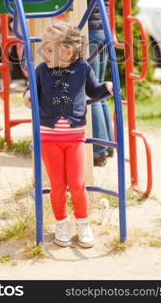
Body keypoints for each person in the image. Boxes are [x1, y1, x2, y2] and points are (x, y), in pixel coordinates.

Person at [23, 22, 113, 248]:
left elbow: (94, 90)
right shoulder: (42, 70)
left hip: (74, 138)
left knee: (77, 183)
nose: (45, 53)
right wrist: (27, 95)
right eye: (44, 48)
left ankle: (83, 223)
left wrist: (108, 86)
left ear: (68, 51)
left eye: (50, 50)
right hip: (49, 138)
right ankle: (61, 222)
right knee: (57, 184)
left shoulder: (83, 69)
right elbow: (31, 88)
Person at [84, 0, 120, 167]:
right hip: (103, 29)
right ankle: (106, 145)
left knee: (91, 90)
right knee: (101, 90)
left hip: (91, 28)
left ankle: (97, 149)